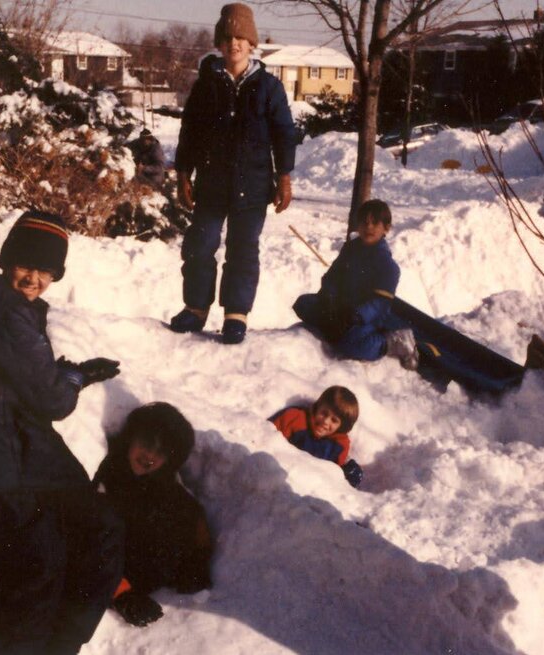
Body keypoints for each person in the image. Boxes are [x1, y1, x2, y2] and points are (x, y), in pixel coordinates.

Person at [0, 210, 125, 655]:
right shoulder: (13, 312)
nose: (33, 277)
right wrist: (71, 379)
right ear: (6, 260)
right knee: (33, 579)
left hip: (5, 460)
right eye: (25, 265)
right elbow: (53, 401)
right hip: (4, 471)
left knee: (88, 535)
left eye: (45, 269)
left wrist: (63, 374)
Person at [169, 2, 298, 345]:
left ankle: (235, 315)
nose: (234, 44)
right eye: (227, 37)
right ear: (219, 43)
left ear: (251, 43)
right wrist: (183, 173)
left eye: (240, 37)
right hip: (211, 184)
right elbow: (191, 132)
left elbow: (284, 133)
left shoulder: (269, 88)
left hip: (253, 186)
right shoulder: (206, 85)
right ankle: (195, 308)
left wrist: (284, 177)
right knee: (200, 244)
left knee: (243, 249)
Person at [92, 403, 213, 628]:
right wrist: (122, 594)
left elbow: (194, 518)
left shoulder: (164, 484)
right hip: (111, 578)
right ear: (131, 438)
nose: (150, 456)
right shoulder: (107, 477)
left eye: (161, 452)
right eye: (146, 443)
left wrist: (197, 561)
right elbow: (86, 546)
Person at [293, 199, 420, 370]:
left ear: (387, 228)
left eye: (375, 223)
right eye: (364, 222)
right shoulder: (350, 250)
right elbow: (331, 277)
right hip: (339, 308)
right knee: (303, 303)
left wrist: (355, 315)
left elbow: (379, 304)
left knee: (351, 344)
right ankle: (335, 329)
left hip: (364, 317)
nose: (368, 227)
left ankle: (390, 342)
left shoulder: (388, 266)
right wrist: (329, 298)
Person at [269, 386, 364, 488]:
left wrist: (348, 475)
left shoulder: (338, 446)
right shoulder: (295, 419)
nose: (326, 421)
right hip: (277, 475)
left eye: (334, 420)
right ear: (318, 407)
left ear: (341, 427)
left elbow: (334, 477)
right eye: (324, 413)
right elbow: (263, 433)